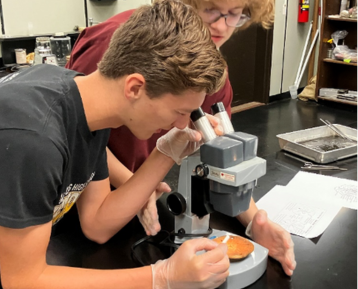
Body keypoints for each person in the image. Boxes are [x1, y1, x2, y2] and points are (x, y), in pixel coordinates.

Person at [0, 1, 231, 288]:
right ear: (135, 87)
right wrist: (161, 277)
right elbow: (24, 280)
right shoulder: (32, 139)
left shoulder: (87, 103)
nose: (181, 124)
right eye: (179, 112)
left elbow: (97, 224)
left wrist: (166, 153)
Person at [65, 0, 296, 277]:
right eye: (211, 10)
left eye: (235, 15)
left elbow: (221, 156)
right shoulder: (118, 42)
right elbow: (77, 126)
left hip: (145, 186)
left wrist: (253, 222)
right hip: (78, 195)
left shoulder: (207, 68)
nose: (221, 26)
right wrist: (135, 186)